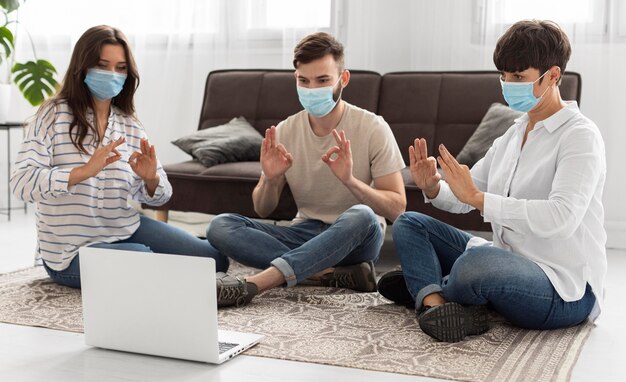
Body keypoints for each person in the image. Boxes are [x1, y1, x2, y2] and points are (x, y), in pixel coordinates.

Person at [377, 20, 606, 342]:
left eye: (518, 77)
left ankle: (428, 284)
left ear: (553, 76)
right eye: (503, 75)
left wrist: (478, 199)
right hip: (505, 260)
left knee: (477, 264)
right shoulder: (512, 135)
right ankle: (433, 303)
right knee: (410, 223)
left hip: (562, 291)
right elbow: (466, 194)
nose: (507, 84)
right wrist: (432, 187)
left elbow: (561, 218)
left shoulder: (580, 137)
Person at [10, 25, 227, 288]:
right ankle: (146, 263)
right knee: (145, 262)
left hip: (124, 228)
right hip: (70, 251)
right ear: (83, 67)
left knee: (214, 260)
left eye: (121, 68)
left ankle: (147, 260)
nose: (112, 74)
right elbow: (20, 183)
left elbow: (162, 194)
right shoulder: (53, 114)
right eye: (102, 65)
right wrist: (83, 172)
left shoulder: (129, 124)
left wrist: (150, 179)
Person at [206, 32, 407, 307]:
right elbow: (263, 209)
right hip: (305, 232)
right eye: (304, 81)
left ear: (343, 79)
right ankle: (325, 275)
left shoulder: (373, 127)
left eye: (323, 80)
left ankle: (257, 283)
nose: (312, 89)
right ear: (296, 79)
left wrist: (351, 181)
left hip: (356, 238)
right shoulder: (285, 130)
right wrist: (271, 180)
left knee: (363, 215)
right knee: (220, 226)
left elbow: (397, 209)